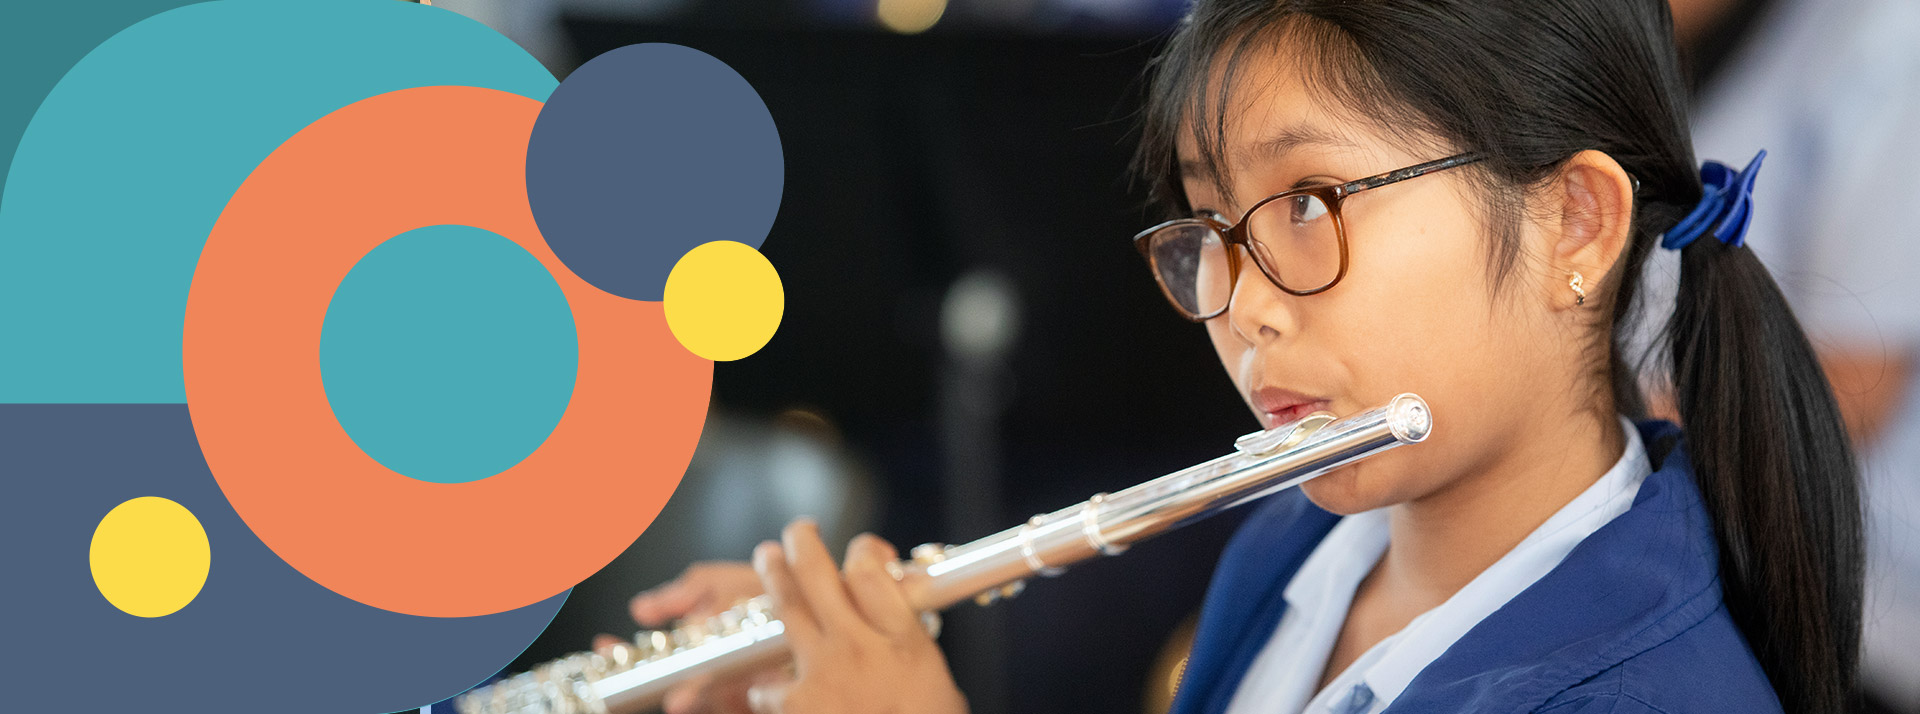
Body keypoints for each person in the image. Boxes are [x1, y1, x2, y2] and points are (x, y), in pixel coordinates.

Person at [612, 1, 1864, 712]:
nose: (1241, 308)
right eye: (1210, 226)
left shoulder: (1640, 694)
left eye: (1310, 203)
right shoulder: (1302, 546)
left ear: (1572, 223)